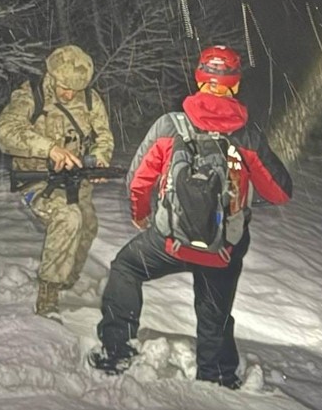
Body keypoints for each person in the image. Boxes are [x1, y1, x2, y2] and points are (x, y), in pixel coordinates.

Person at [90, 45, 292, 388]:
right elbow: (280, 192)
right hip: (222, 250)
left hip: (170, 241)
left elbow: (137, 180)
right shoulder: (247, 135)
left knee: (126, 267)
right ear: (235, 84)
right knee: (214, 313)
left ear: (199, 79)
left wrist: (142, 215)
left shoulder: (171, 126)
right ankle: (215, 378)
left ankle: (117, 351)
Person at [0, 45, 115, 318]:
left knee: (87, 226)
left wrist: (98, 159)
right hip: (37, 180)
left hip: (75, 180)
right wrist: (49, 148)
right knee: (68, 217)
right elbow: (6, 132)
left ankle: (66, 279)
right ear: (51, 74)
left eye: (75, 88)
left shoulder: (90, 100)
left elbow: (104, 137)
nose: (69, 93)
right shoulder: (30, 96)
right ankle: (48, 295)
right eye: (64, 86)